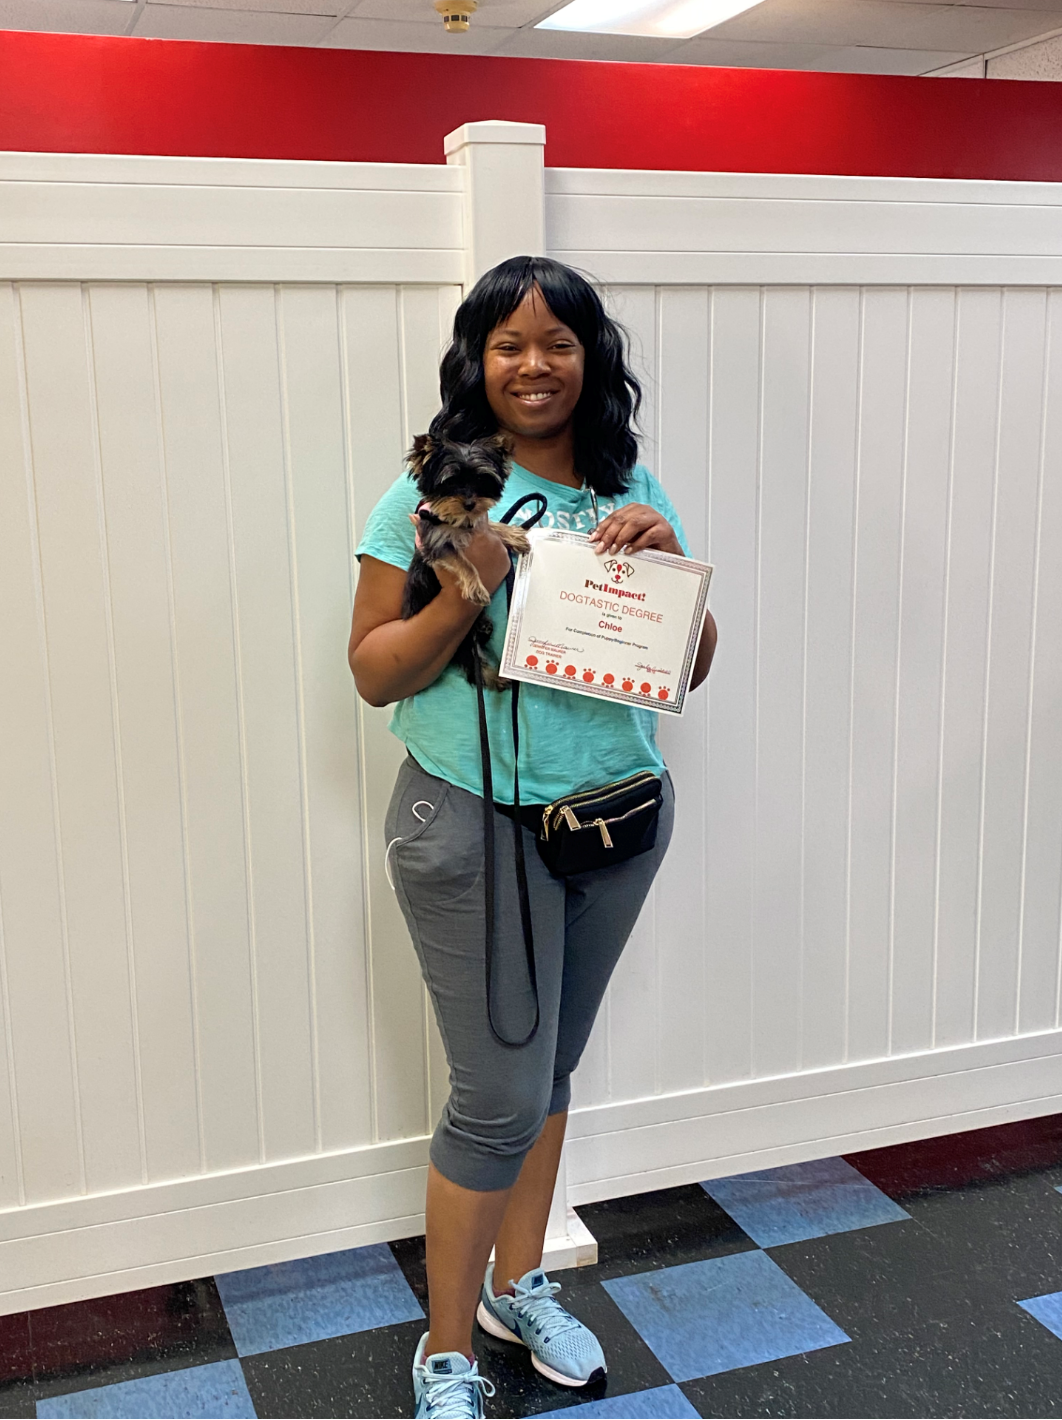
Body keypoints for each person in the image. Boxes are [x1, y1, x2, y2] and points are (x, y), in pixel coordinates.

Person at [348, 256, 717, 1419]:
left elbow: (685, 669)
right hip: (471, 821)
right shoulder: (430, 492)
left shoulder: (628, 481)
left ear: (591, 358)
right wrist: (463, 587)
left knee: (547, 1071)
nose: (535, 363)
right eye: (509, 342)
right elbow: (370, 673)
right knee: (497, 1096)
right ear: (477, 359)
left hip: (614, 816)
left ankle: (521, 1283)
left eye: (558, 342)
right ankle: (444, 1351)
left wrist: (666, 573)